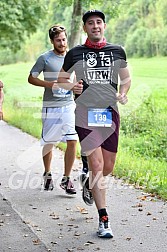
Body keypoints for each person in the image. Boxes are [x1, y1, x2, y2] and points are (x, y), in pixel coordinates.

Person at [57, 10, 131, 238]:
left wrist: (123, 93)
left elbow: (126, 79)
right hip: (85, 114)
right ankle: (104, 220)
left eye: (99, 22)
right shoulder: (75, 53)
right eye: (91, 23)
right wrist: (72, 87)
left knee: (107, 168)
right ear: (84, 28)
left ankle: (87, 179)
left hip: (110, 114)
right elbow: (61, 79)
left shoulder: (117, 51)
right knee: (98, 166)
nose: (95, 26)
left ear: (104, 26)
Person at [28, 25, 78, 194]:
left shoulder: (73, 57)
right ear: (52, 41)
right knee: (50, 142)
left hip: (68, 105)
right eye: (58, 40)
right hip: (51, 106)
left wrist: (76, 88)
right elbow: (31, 78)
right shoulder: (45, 58)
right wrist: (49, 85)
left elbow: (77, 78)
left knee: (72, 141)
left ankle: (66, 178)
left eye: (64, 39)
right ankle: (48, 173)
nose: (62, 43)